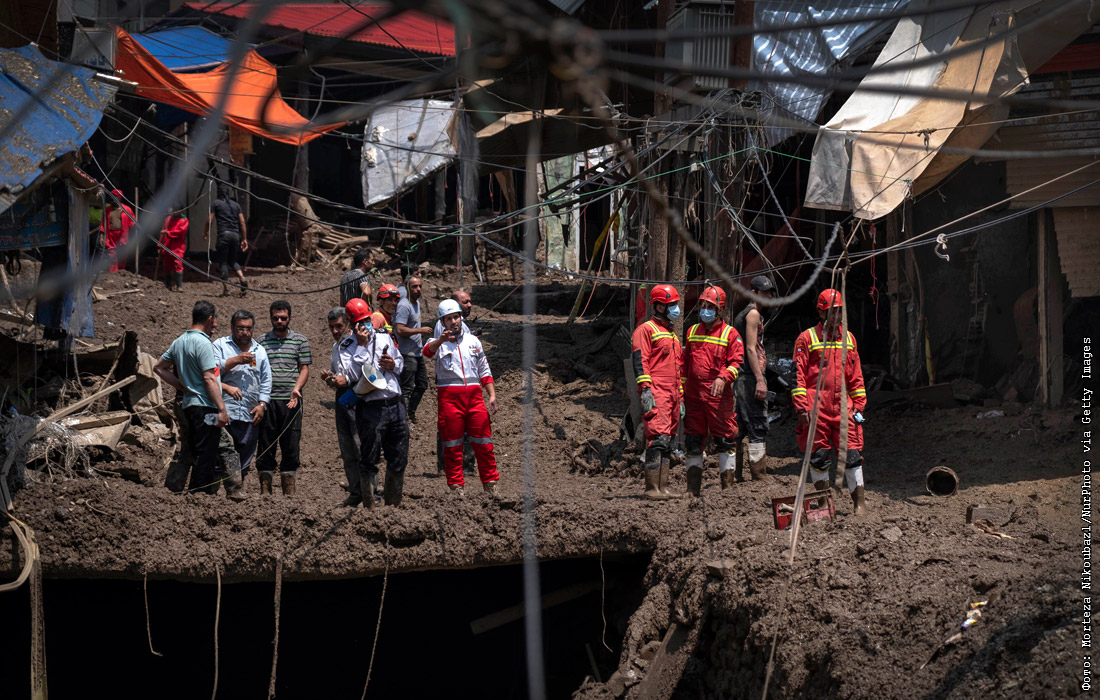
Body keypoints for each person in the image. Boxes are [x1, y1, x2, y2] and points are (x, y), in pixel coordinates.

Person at [791, 289, 868, 515]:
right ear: (821, 313)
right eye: (832, 311)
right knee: (819, 457)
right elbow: (797, 375)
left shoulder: (849, 339)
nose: (837, 316)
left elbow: (856, 377)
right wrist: (801, 406)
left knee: (852, 455)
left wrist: (859, 405)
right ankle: (824, 503)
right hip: (816, 408)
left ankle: (859, 504)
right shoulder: (807, 338)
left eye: (840, 311)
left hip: (844, 408)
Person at [153, 301, 234, 496]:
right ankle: (198, 495)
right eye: (214, 321)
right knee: (206, 453)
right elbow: (209, 378)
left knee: (195, 449)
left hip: (188, 405)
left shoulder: (180, 341)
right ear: (209, 318)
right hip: (205, 406)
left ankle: (187, 492)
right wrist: (222, 409)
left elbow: (159, 367)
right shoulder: (204, 343)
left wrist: (182, 386)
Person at [423, 299, 500, 495]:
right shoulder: (436, 343)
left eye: (456, 317)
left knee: (484, 442)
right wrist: (441, 340)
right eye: (448, 319)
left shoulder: (473, 342)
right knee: (452, 445)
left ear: (460, 318)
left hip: (475, 399)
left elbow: (484, 370)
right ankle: (456, 488)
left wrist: (492, 395)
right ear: (442, 322)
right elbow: (427, 352)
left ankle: (490, 485)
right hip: (449, 401)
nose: (453, 322)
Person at [342, 297, 408, 507]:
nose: (365, 325)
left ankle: (392, 504)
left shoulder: (384, 337)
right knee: (369, 457)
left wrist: (393, 364)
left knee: (398, 456)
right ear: (352, 325)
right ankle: (370, 505)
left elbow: (400, 363)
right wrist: (361, 347)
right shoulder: (348, 346)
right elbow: (351, 375)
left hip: (395, 403)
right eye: (360, 322)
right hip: (371, 407)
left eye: (367, 320)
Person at [682, 285, 744, 496]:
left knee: (725, 439)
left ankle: (727, 490)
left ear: (720, 310)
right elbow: (685, 364)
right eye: (702, 306)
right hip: (693, 396)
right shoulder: (692, 331)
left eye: (710, 307)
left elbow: (737, 364)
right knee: (692, 440)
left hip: (718, 398)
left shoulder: (730, 334)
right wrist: (681, 392)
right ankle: (692, 490)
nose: (705, 310)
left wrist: (723, 377)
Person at [631, 284, 684, 500]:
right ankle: (652, 488)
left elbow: (677, 368)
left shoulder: (672, 335)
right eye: (672, 305)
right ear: (660, 307)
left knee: (669, 441)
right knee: (658, 438)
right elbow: (640, 361)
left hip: (672, 394)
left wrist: (680, 397)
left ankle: (663, 488)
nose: (676, 309)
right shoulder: (646, 330)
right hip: (657, 392)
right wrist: (645, 390)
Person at [257, 300, 312, 496]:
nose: (279, 321)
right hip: (268, 400)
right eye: (276, 318)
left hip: (291, 401)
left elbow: (304, 369)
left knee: (291, 444)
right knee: (266, 443)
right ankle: (265, 490)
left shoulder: (300, 341)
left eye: (283, 318)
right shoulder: (262, 342)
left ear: (289, 318)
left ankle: (289, 491)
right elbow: (256, 369)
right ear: (270, 318)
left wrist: (297, 388)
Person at [213, 310, 271, 486]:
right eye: (240, 328)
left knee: (245, 455)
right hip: (224, 411)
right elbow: (211, 372)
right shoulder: (220, 345)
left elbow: (266, 380)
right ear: (232, 327)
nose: (244, 332)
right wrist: (236, 360)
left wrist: (262, 404)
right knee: (219, 456)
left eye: (248, 328)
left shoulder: (260, 351)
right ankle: (214, 493)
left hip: (249, 413)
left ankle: (238, 490)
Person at [320, 305, 364, 506]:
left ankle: (370, 492)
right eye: (331, 327)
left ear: (347, 324)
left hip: (359, 394)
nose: (335, 330)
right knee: (347, 446)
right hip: (342, 396)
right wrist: (329, 377)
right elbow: (336, 375)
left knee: (361, 445)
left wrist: (346, 379)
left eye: (338, 326)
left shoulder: (359, 342)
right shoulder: (336, 347)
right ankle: (355, 492)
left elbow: (365, 370)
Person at [733, 275, 775, 482]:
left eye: (769, 293)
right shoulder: (753, 314)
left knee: (740, 425)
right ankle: (759, 476)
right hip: (749, 376)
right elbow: (751, 349)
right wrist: (759, 379)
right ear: (754, 293)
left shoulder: (743, 315)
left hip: (742, 376)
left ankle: (733, 475)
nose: (768, 296)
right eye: (764, 292)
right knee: (757, 424)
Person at [432, 289, 474, 475]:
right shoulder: (442, 326)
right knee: (448, 425)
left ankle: (466, 465)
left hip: (466, 381)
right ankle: (447, 466)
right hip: (449, 382)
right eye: (465, 302)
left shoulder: (464, 327)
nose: (469, 305)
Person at [394, 275, 432, 422]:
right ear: (407, 288)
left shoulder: (416, 303)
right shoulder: (404, 305)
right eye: (415, 286)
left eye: (420, 286)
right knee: (407, 388)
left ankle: (410, 412)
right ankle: (402, 418)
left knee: (422, 384)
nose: (418, 289)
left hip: (417, 352)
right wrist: (420, 330)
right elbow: (400, 329)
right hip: (407, 352)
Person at [204, 186, 249, 297]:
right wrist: (244, 239)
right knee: (233, 261)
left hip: (224, 235)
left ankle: (226, 289)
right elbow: (242, 222)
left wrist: (205, 233)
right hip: (235, 236)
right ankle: (242, 277)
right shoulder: (236, 205)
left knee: (223, 262)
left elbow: (209, 220)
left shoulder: (216, 204)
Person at [103, 189, 135, 273]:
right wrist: (102, 235)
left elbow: (132, 222)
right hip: (111, 235)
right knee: (112, 255)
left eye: (114, 196)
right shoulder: (107, 210)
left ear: (119, 198)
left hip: (123, 235)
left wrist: (133, 226)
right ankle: (113, 273)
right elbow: (103, 223)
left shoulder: (127, 209)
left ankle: (120, 273)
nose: (112, 198)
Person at [160, 210, 189, 293]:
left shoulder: (184, 220)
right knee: (167, 266)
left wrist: (168, 233)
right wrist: (160, 245)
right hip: (167, 245)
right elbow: (162, 232)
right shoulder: (168, 219)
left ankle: (179, 286)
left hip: (177, 247)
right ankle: (168, 285)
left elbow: (180, 232)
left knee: (178, 265)